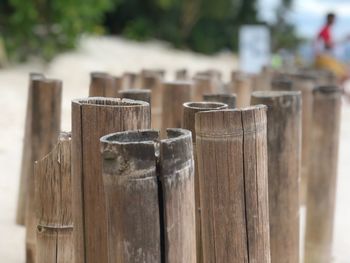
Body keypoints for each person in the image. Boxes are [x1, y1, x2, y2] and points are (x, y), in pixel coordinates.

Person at [314, 12, 349, 84]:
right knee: (344, 74)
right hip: (323, 58)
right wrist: (344, 40)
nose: (334, 21)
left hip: (324, 57)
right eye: (333, 19)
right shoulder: (325, 30)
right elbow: (328, 46)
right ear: (330, 19)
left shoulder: (326, 29)